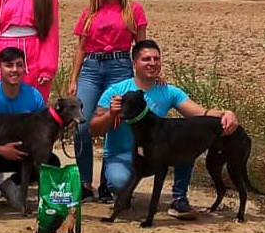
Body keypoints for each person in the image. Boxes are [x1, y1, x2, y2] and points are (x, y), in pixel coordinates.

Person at [89, 39, 240, 219]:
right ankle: (124, 195)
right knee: (119, 182)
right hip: (121, 156)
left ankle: (179, 198)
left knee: (185, 140)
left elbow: (199, 113)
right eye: (146, 59)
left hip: (156, 154)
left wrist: (226, 114)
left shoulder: (169, 91)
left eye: (156, 59)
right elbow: (93, 129)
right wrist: (112, 114)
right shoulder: (117, 91)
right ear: (134, 63)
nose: (152, 63)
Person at [68, 0, 148, 203]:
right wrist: (74, 79)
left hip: (120, 66)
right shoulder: (90, 12)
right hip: (91, 68)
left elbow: (141, 46)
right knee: (82, 126)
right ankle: (84, 182)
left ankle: (107, 183)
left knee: (115, 123)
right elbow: (81, 48)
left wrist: (146, 71)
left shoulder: (134, 10)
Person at [0, 46, 60, 213]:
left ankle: (12, 184)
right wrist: (0, 149)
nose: (14, 70)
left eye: (19, 65)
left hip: (22, 154)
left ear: (25, 68)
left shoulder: (34, 97)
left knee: (52, 161)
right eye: (9, 65)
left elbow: (43, 133)